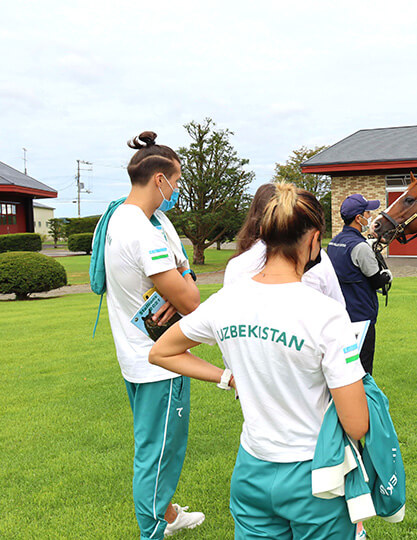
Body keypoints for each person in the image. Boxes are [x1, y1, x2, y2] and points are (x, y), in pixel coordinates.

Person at [149, 183, 369, 539]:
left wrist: (227, 377)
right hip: (317, 473)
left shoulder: (226, 301)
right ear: (314, 239)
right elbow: (357, 424)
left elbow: (161, 351)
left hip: (252, 471)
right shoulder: (326, 315)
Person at [102, 131, 205, 538]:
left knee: (154, 446)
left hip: (135, 355)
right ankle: (152, 531)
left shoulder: (125, 217)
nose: (177, 190)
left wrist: (183, 276)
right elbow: (192, 300)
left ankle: (167, 513)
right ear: (159, 179)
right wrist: (183, 278)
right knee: (158, 453)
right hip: (159, 362)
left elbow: (183, 277)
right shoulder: (144, 232)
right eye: (176, 182)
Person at [224, 183, 344, 306]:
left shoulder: (236, 266)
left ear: (263, 229)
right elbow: (338, 304)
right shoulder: (321, 264)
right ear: (315, 239)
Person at [327, 194, 392, 375]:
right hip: (362, 317)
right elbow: (376, 280)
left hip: (341, 316)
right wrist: (386, 276)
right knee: (362, 370)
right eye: (367, 213)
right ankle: (363, 403)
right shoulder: (360, 247)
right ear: (358, 218)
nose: (369, 216)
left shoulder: (334, 242)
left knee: (343, 368)